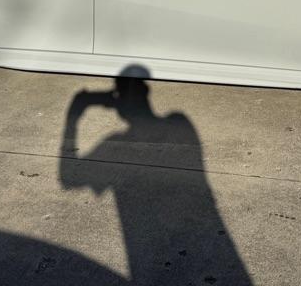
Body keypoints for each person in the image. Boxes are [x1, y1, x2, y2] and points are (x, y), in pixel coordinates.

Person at [60, 65, 251, 285]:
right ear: (146, 93)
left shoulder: (117, 143)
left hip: (147, 255)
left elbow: (68, 178)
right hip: (211, 244)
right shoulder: (180, 123)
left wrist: (74, 116)